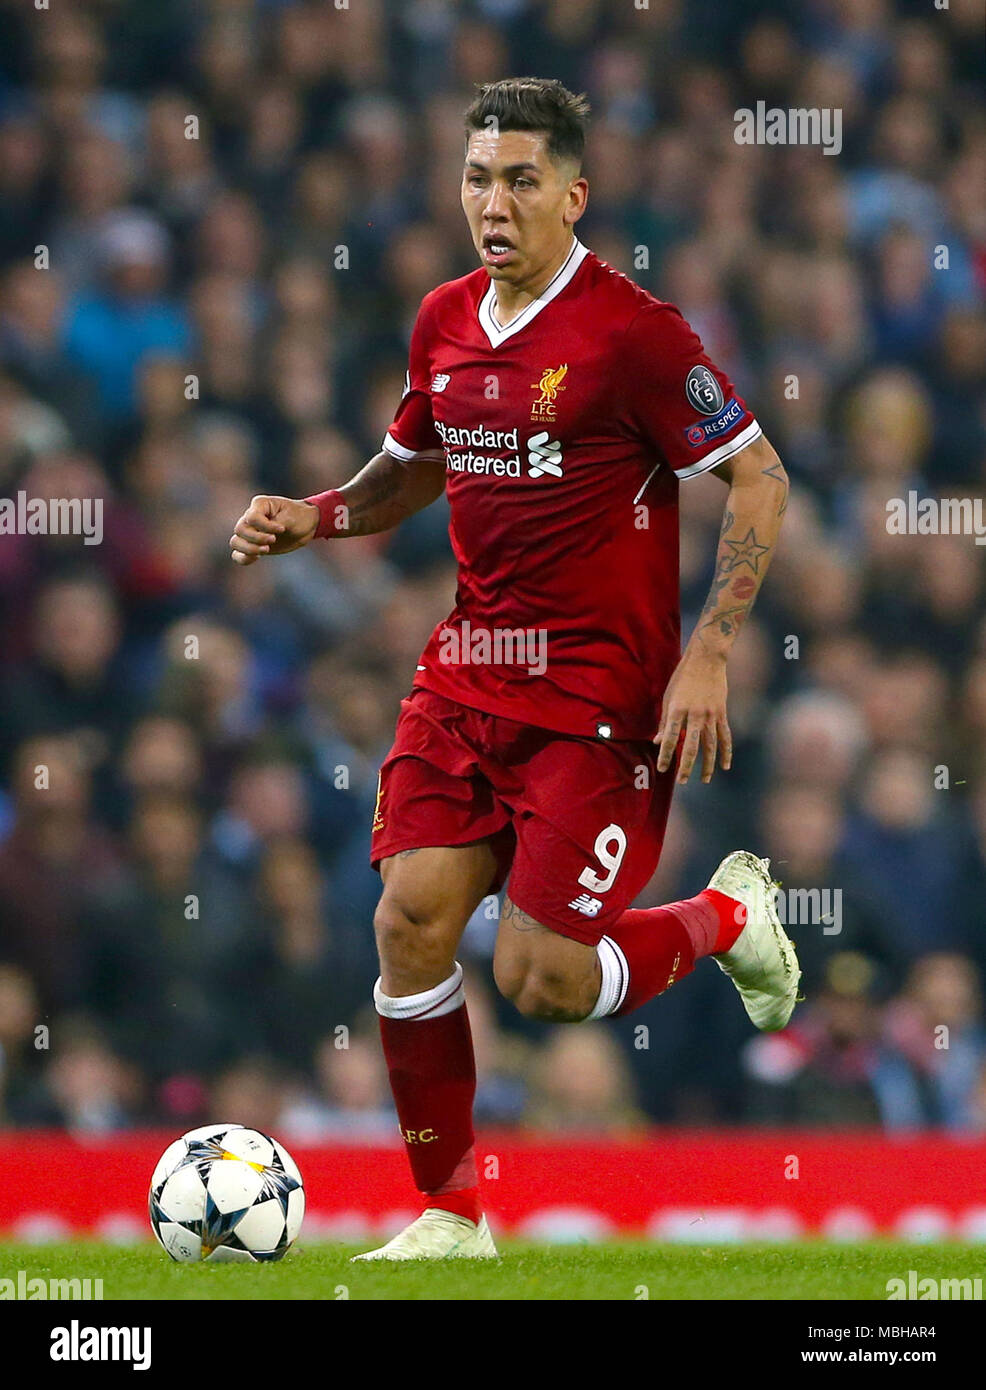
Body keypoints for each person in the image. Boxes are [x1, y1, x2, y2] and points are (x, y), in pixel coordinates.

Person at [229, 77, 799, 1260]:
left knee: (540, 978)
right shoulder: (441, 317)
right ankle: (448, 1216)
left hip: (599, 702)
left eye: (519, 180)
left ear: (571, 195)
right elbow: (411, 467)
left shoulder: (633, 332)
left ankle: (727, 915)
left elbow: (759, 475)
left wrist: (709, 650)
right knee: (408, 924)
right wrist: (317, 516)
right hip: (468, 676)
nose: (493, 202)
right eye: (478, 178)